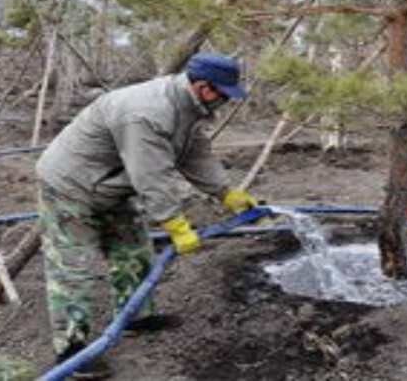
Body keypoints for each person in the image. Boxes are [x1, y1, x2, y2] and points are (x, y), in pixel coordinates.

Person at [36, 52, 259, 374]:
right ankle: (72, 352)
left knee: (133, 249)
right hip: (70, 186)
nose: (226, 101)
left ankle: (136, 316)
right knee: (73, 267)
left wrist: (226, 193)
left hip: (110, 184)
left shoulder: (188, 107)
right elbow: (151, 175)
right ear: (204, 87)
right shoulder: (147, 112)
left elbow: (195, 154)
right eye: (224, 94)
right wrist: (176, 224)